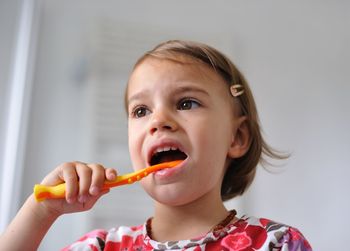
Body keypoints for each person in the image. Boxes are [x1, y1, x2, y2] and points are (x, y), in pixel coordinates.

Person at [0, 40, 312, 250]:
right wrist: (41, 211)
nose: (158, 120)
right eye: (140, 111)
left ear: (237, 137)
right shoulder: (100, 247)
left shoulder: (277, 243)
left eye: (187, 103)